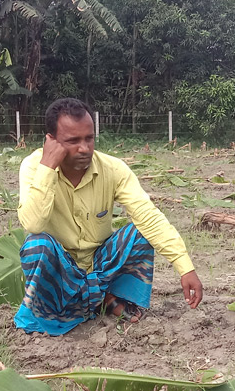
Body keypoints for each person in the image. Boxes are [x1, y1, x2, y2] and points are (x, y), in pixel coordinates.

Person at [13, 98, 203, 335]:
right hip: (61, 270)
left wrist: (185, 267)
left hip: (102, 266)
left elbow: (149, 216)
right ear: (51, 141)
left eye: (89, 138)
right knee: (36, 245)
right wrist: (48, 167)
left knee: (140, 232)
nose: (84, 148)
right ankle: (88, 303)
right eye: (73, 141)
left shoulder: (113, 169)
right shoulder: (34, 168)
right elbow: (33, 223)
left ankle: (98, 296)